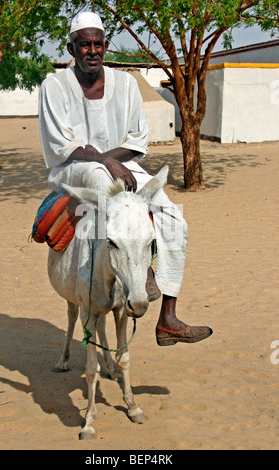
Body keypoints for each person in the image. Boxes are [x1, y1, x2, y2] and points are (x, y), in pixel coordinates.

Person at [38, 11, 213, 346]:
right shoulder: (54, 86)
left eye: (98, 44)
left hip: (123, 164)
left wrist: (113, 161)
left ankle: (167, 318)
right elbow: (63, 145)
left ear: (105, 47)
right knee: (99, 176)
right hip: (76, 167)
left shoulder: (127, 84)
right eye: (84, 44)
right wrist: (104, 161)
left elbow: (136, 142)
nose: (93, 50)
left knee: (174, 218)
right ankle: (138, 275)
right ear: (71, 48)